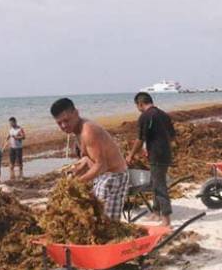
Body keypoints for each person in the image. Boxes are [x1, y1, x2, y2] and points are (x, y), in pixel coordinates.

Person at [50, 98, 129, 220]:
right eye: (59, 123)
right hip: (102, 175)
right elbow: (88, 158)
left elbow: (101, 165)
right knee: (95, 218)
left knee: (106, 222)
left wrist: (75, 184)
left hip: (113, 177)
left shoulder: (88, 131)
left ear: (76, 113)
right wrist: (75, 170)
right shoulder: (77, 131)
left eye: (66, 120)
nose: (63, 125)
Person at [126, 92, 176, 226]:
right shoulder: (164, 115)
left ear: (140, 104)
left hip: (156, 155)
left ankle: (166, 219)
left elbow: (140, 138)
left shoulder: (145, 116)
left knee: (159, 186)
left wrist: (130, 155)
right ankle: (155, 212)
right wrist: (151, 145)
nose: (138, 108)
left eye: (137, 106)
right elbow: (171, 135)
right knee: (155, 182)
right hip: (165, 153)